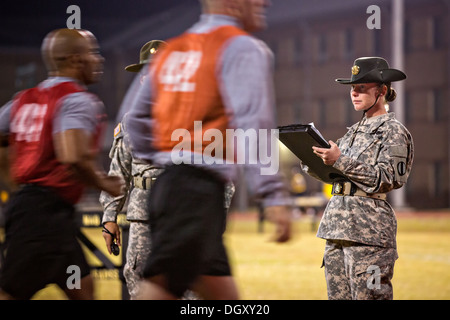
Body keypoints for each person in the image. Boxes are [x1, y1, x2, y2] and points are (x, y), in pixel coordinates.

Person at [126, 0, 293, 300]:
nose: (264, 2)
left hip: (171, 188)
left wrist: (168, 156)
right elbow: (254, 123)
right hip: (197, 192)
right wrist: (271, 193)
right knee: (161, 287)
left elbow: (134, 121)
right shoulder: (242, 47)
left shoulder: (170, 51)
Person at [0, 28, 124, 300]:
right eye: (92, 52)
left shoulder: (22, 100)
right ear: (74, 60)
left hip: (41, 212)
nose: (98, 60)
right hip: (43, 216)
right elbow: (73, 157)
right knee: (10, 292)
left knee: (83, 288)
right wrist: (107, 183)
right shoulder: (77, 100)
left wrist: (13, 178)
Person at [302, 56, 414, 300]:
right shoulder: (353, 133)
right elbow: (334, 176)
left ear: (382, 90)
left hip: (370, 236)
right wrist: (307, 155)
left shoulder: (393, 132)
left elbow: (389, 178)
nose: (354, 93)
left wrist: (339, 160)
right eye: (353, 88)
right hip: (337, 230)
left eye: (362, 88)